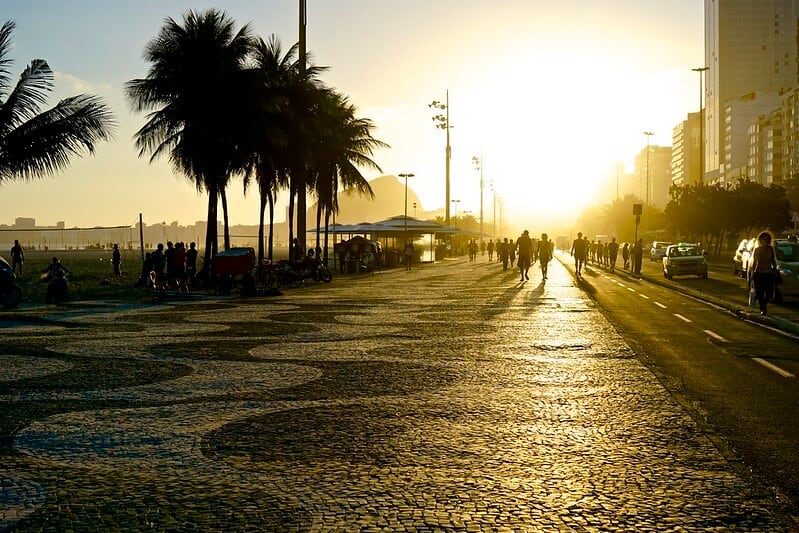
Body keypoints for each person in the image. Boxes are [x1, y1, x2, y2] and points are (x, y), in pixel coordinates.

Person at [749, 230, 778, 315]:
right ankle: (763, 308)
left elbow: (773, 261)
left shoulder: (771, 249)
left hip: (768, 273)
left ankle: (763, 305)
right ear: (760, 240)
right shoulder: (757, 250)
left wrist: (775, 270)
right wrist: (752, 274)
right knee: (759, 292)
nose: (764, 241)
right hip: (759, 273)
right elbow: (754, 263)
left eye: (766, 239)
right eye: (763, 239)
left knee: (769, 292)